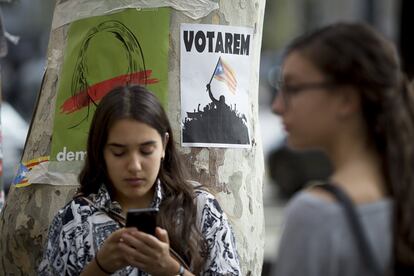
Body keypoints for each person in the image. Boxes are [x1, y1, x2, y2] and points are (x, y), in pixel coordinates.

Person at [38, 85, 241, 275]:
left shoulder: (201, 210)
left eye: (146, 150)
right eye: (119, 152)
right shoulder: (75, 220)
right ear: (101, 152)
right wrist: (99, 266)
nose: (134, 165)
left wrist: (171, 269)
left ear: (164, 145)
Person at [270, 22, 414, 276]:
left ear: (347, 100)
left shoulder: (314, 215)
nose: (277, 105)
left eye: (292, 88)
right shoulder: (400, 196)